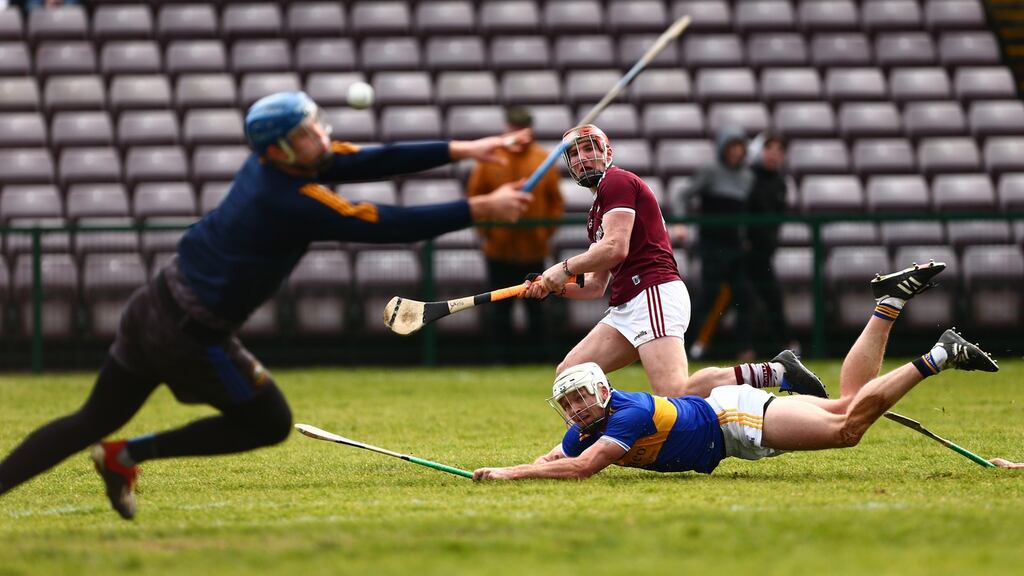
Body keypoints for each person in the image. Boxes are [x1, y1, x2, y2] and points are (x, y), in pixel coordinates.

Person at [0, 91, 533, 519]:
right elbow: (379, 222)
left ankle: (116, 456)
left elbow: (373, 158)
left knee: (90, 418)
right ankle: (127, 454)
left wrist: (468, 149)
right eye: (307, 132)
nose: (320, 136)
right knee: (267, 421)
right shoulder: (289, 199)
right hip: (188, 334)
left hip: (154, 306)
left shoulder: (284, 166)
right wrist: (482, 206)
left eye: (315, 124)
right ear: (279, 149)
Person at [474, 261, 1001, 481]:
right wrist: (505, 469)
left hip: (734, 422)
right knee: (848, 401)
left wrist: (509, 474)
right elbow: (557, 455)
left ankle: (939, 356)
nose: (577, 409)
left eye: (582, 398)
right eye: (570, 405)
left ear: (603, 391)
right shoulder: (586, 427)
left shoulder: (622, 418)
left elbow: (581, 468)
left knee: (848, 428)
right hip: (728, 418)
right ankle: (888, 303)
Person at [521, 124, 826, 400]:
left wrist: (561, 269)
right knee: (570, 374)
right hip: (627, 304)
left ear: (607, 152)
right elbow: (596, 286)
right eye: (573, 154)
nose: (581, 158)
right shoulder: (596, 213)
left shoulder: (617, 182)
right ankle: (606, 439)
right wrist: (550, 287)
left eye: (589, 149)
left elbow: (615, 248)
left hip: (652, 292)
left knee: (674, 390)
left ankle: (777, 372)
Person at [466, 106, 564, 362]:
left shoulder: (543, 160)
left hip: (533, 248)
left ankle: (540, 359)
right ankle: (500, 359)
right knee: (499, 309)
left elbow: (556, 203)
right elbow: (475, 196)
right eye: (514, 128)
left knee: (538, 308)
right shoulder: (491, 159)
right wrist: (488, 232)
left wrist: (544, 233)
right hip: (499, 249)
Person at [675, 126, 753, 361]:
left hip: (735, 246)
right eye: (732, 147)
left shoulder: (747, 177)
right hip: (711, 245)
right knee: (708, 295)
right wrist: (681, 223)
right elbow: (683, 195)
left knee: (744, 296)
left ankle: (744, 349)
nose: (736, 153)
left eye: (740, 148)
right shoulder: (711, 172)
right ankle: (689, 345)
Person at [741, 131, 797, 358]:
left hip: (764, 253)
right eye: (769, 149)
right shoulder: (748, 177)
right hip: (745, 253)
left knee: (770, 299)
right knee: (745, 299)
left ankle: (785, 345)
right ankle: (744, 348)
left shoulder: (781, 182)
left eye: (779, 151)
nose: (774, 155)